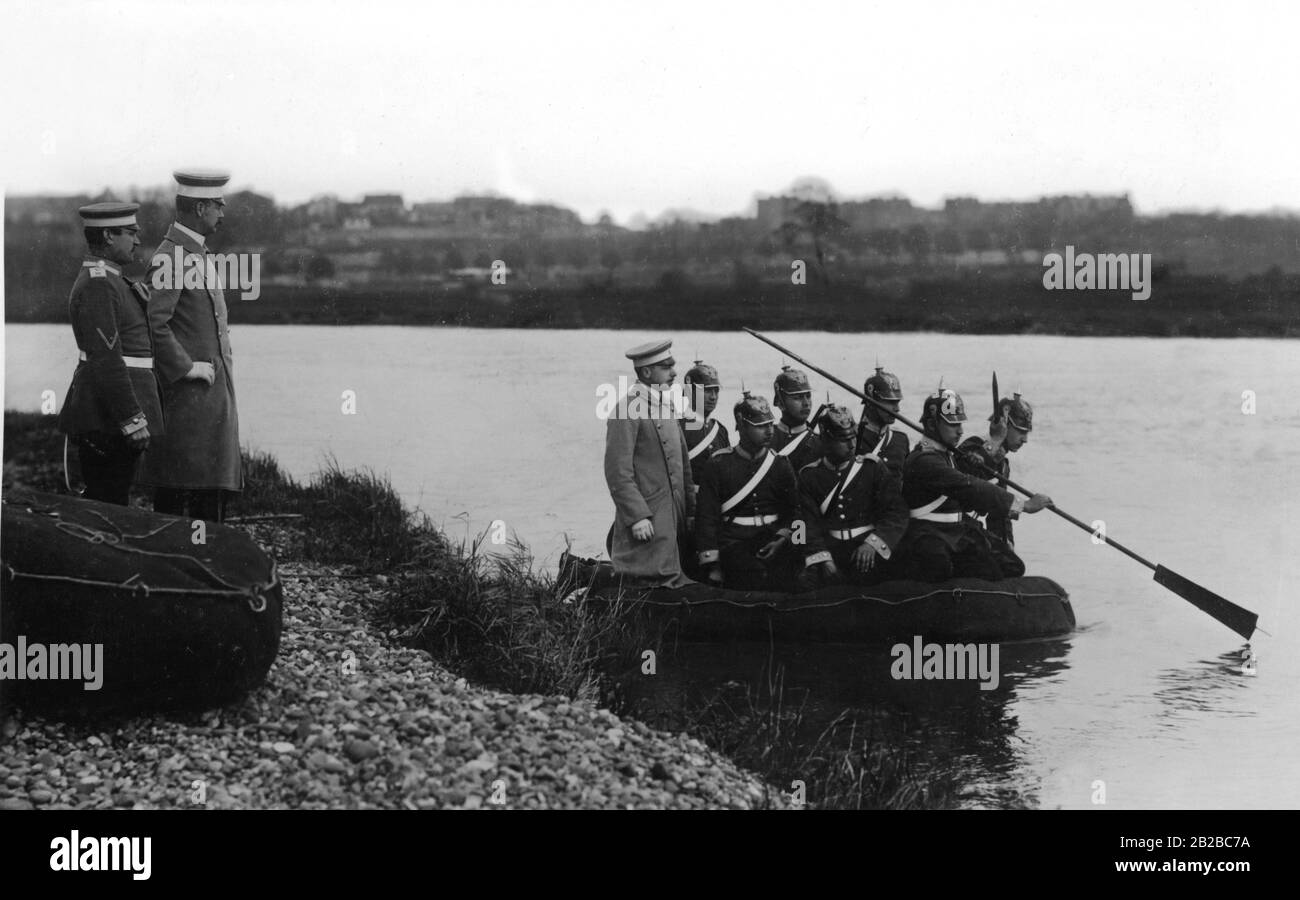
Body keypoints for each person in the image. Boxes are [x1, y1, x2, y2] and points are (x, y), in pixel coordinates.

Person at [139, 170, 241, 522]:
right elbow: (156, 323)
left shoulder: (195, 252)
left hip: (207, 399)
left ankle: (202, 562)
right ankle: (188, 566)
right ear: (200, 208)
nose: (222, 213)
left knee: (206, 487)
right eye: (218, 205)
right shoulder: (173, 256)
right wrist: (187, 368)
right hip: (189, 398)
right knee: (182, 487)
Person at [57, 202, 163, 505]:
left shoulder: (113, 281)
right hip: (107, 417)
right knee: (107, 502)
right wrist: (131, 419)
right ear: (107, 236)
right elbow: (107, 359)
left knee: (110, 500)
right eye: (130, 233)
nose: (138, 240)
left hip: (108, 414)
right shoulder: (100, 285)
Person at [895, 387, 1052, 582]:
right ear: (932, 425)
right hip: (928, 532)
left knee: (1011, 566)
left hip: (955, 531)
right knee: (945, 567)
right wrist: (1023, 505)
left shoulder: (948, 455)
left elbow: (971, 479)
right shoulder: (924, 460)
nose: (960, 430)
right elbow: (967, 485)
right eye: (953, 424)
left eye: (960, 423)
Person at [604, 339, 694, 587]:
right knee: (650, 580)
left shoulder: (666, 404)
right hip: (648, 522)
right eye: (666, 367)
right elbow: (617, 473)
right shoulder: (627, 409)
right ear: (646, 372)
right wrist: (636, 518)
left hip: (673, 517)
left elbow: (683, 466)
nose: (674, 373)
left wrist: (691, 511)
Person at [695, 393, 804, 591]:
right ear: (742, 426)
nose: (769, 431)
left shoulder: (780, 464)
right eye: (760, 425)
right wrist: (713, 565)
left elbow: (797, 512)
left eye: (771, 424)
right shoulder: (718, 464)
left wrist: (787, 540)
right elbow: (706, 518)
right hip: (735, 543)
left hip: (775, 539)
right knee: (751, 576)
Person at [797, 405, 910, 584]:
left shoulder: (872, 469)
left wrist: (873, 543)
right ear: (825, 440)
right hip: (830, 550)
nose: (851, 445)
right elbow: (802, 525)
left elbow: (897, 513)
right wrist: (821, 558)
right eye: (843, 440)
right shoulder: (809, 476)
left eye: (853, 438)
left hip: (866, 548)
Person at [957, 392, 1036, 577]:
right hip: (954, 527)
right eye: (1021, 432)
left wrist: (1007, 543)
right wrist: (994, 443)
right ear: (1004, 426)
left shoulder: (1003, 464)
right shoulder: (973, 446)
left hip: (972, 529)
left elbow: (999, 515)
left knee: (1013, 566)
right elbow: (963, 480)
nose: (1025, 439)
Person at [681, 359, 731, 485]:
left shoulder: (720, 430)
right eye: (707, 391)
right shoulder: (677, 427)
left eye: (716, 390)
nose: (713, 397)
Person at [855, 364, 910, 478]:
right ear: (870, 402)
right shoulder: (853, 437)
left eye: (897, 402)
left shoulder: (901, 439)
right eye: (890, 402)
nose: (897, 409)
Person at [769, 365, 823, 474]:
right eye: (797, 397)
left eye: (808, 396)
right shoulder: (767, 438)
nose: (806, 403)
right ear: (780, 403)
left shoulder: (820, 443)